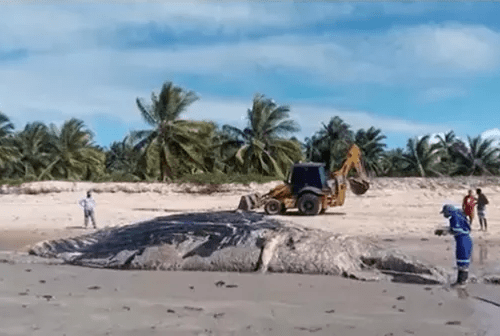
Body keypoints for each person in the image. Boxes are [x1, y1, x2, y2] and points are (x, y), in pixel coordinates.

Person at [435, 204, 473, 287]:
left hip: (462, 240)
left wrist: (445, 232)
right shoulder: (460, 215)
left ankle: (461, 282)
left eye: (445, 213)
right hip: (465, 239)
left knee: (462, 261)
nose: (444, 215)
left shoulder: (454, 217)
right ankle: (462, 281)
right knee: (462, 261)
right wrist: (444, 229)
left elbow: (457, 230)